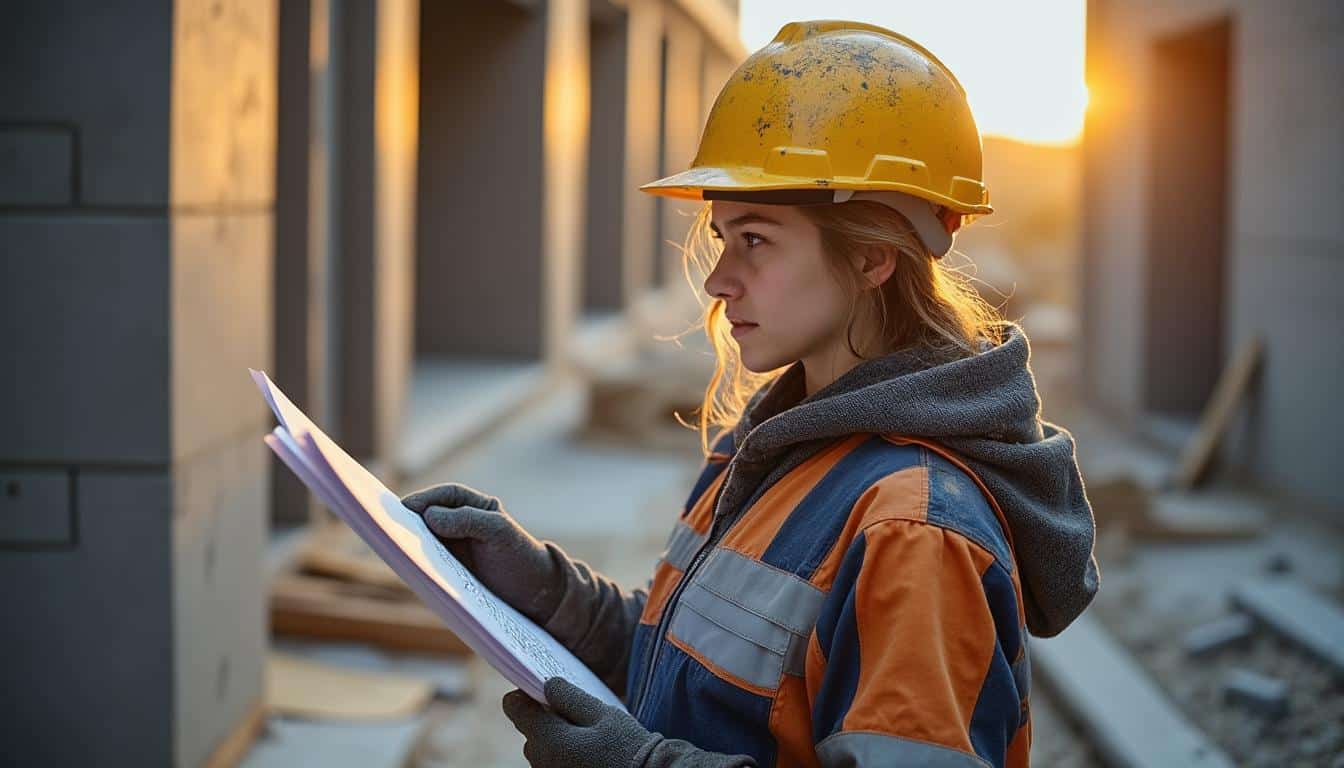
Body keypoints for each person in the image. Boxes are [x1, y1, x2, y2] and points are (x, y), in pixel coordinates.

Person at [402, 20, 1098, 768]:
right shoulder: (777, 443)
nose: (717, 279)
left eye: (756, 240)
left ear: (871, 257)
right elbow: (692, 665)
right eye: (722, 236)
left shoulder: (914, 532)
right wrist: (545, 589)